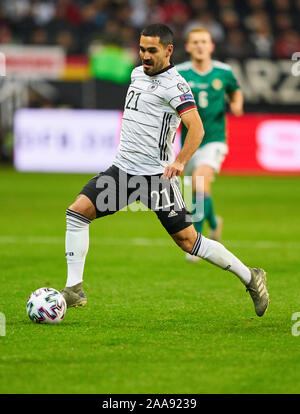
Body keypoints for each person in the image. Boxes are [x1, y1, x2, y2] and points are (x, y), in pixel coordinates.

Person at [61, 23, 269, 317]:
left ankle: (251, 277)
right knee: (78, 212)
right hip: (121, 172)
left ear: (169, 51)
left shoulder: (176, 86)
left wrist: (180, 161)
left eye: (152, 50)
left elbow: (195, 128)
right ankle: (74, 289)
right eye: (142, 49)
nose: (145, 55)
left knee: (189, 242)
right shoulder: (136, 73)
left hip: (155, 179)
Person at [176, 27, 244, 264]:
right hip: (190, 142)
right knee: (199, 190)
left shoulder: (223, 72)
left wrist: (236, 104)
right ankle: (215, 224)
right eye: (195, 42)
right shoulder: (180, 73)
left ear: (211, 46)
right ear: (188, 47)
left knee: (200, 181)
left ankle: (196, 242)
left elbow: (236, 92)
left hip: (215, 139)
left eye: (204, 41)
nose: (200, 45)